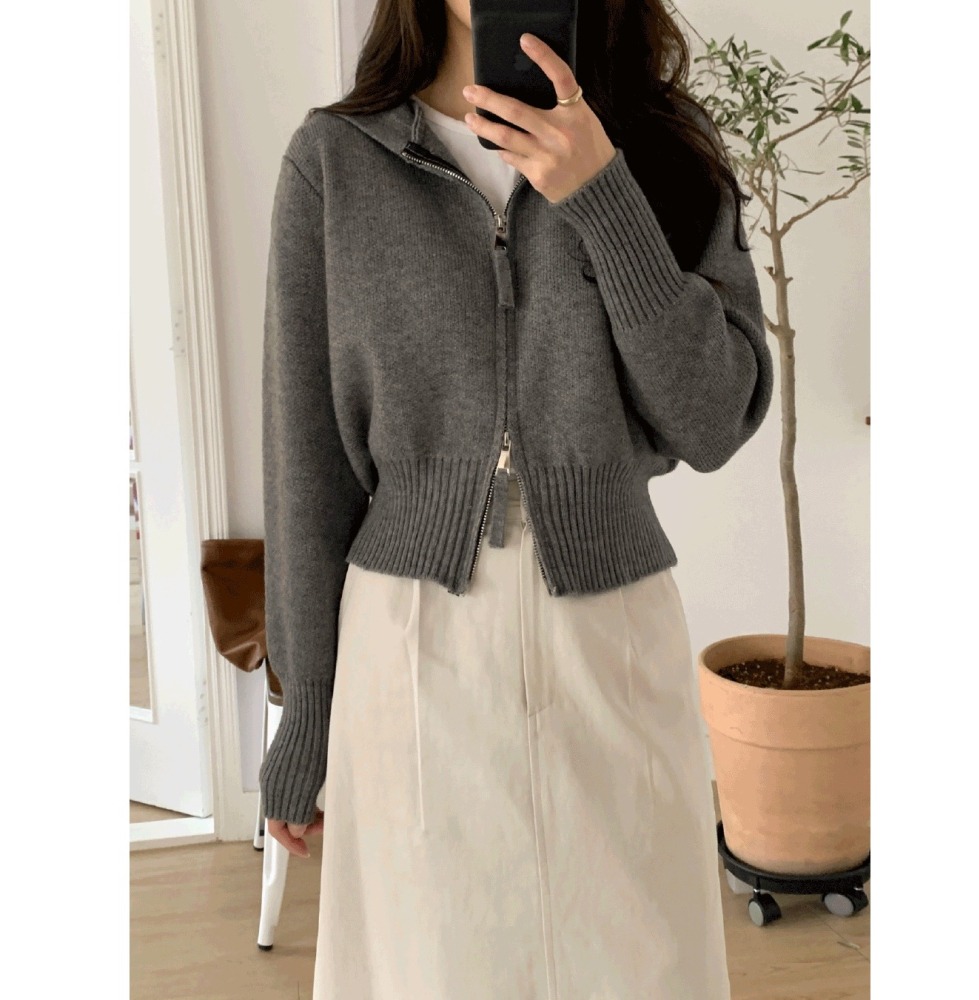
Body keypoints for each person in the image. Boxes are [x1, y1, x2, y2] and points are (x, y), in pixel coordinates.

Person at [259, 1, 773, 996]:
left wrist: (604, 196)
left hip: (612, 637)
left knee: (641, 968)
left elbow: (714, 419)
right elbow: (305, 458)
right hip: (413, 645)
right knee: (433, 969)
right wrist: (306, 708)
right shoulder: (335, 162)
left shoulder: (661, 146)